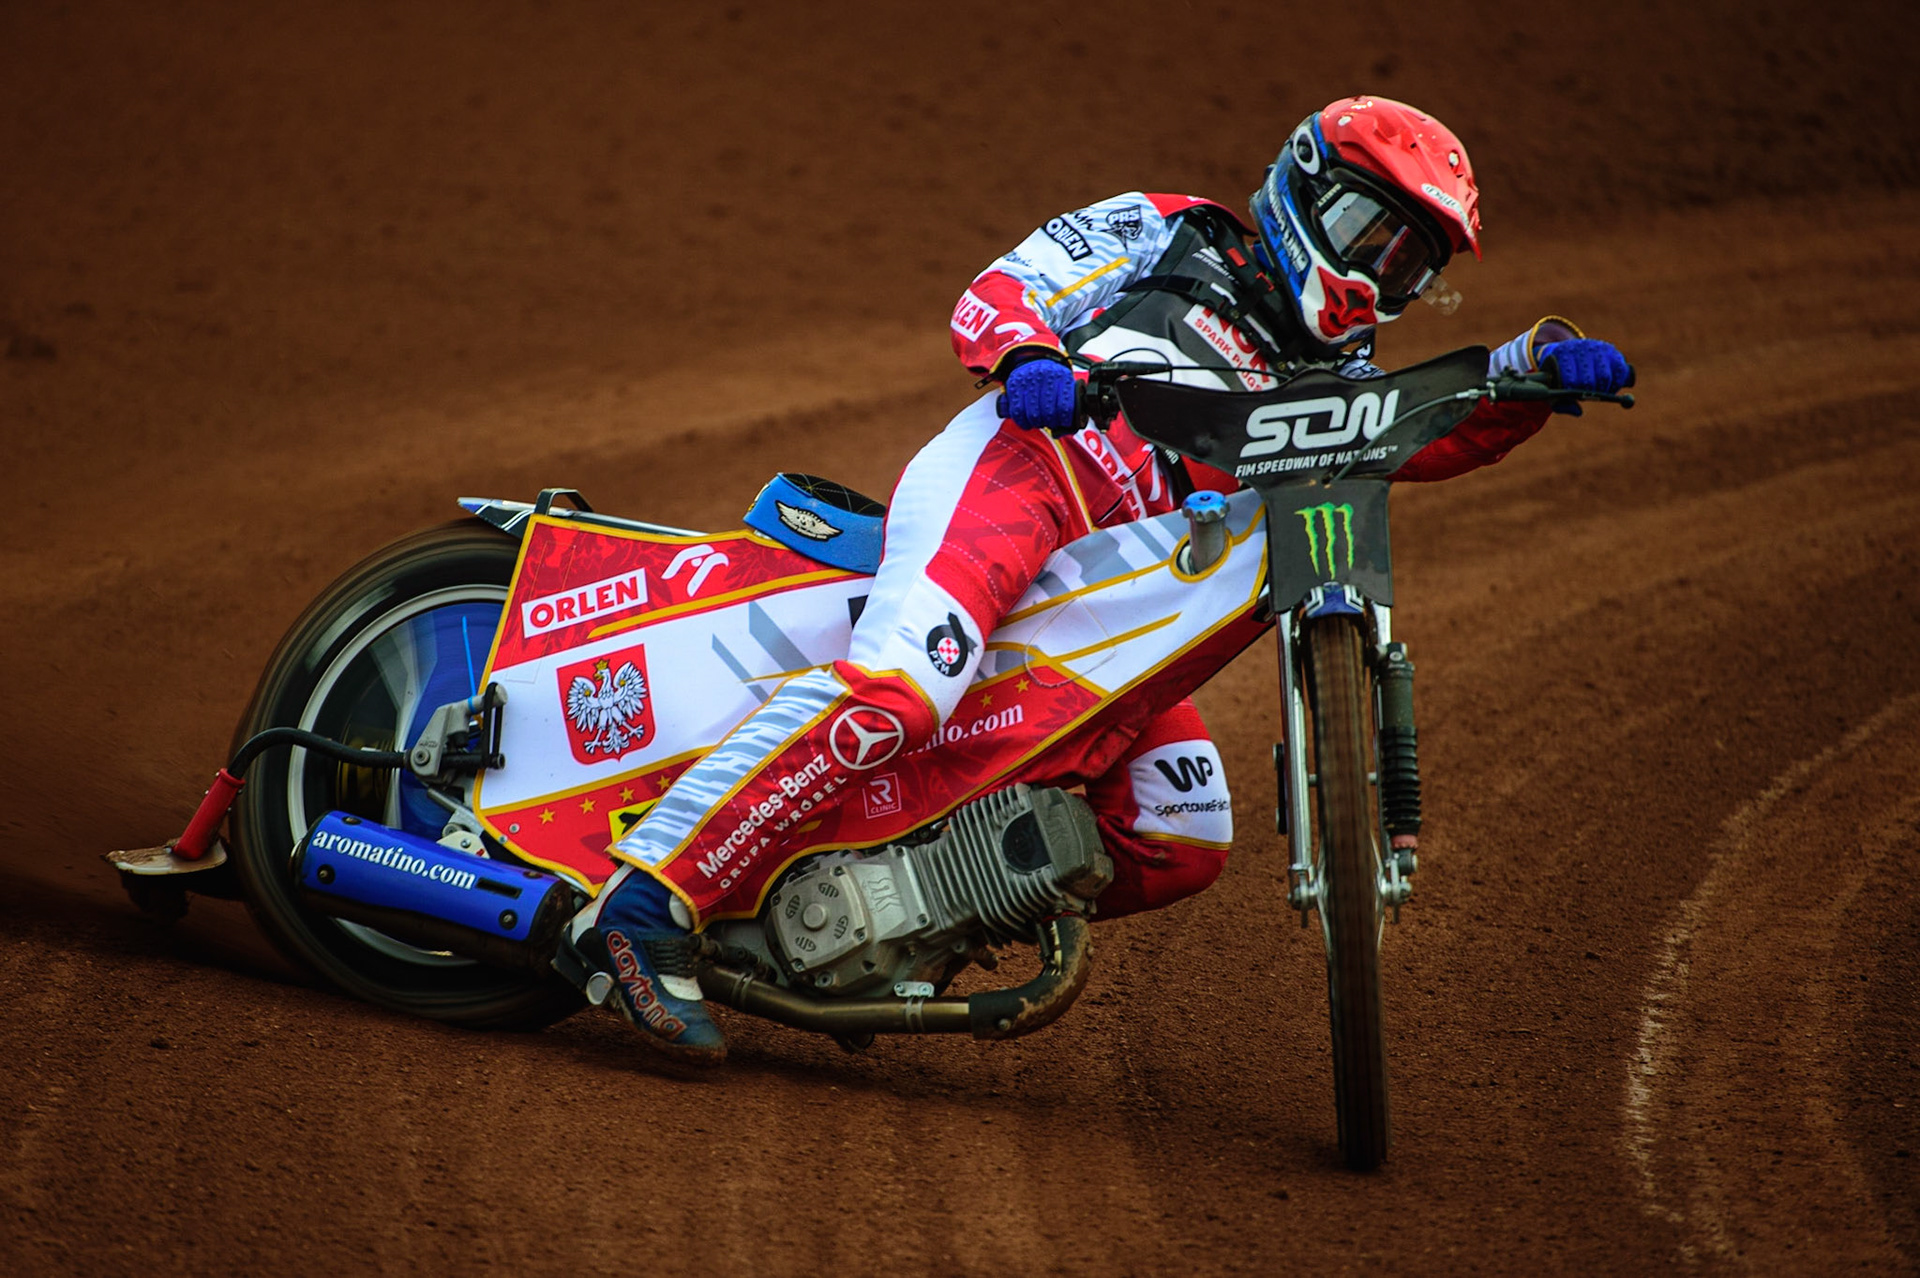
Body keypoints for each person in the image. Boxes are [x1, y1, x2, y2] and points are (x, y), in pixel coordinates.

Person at [572, 95, 1634, 1062]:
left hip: (1127, 601)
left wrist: (1529, 374)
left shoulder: (1336, 383)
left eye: (1409, 265)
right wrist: (1030, 358)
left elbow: (1422, 426)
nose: (1376, 275)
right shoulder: (1173, 230)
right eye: (1369, 233)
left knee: (1182, 832)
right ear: (1303, 190)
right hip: (1026, 478)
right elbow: (1009, 285)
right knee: (902, 692)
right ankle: (647, 905)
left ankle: (895, 921)